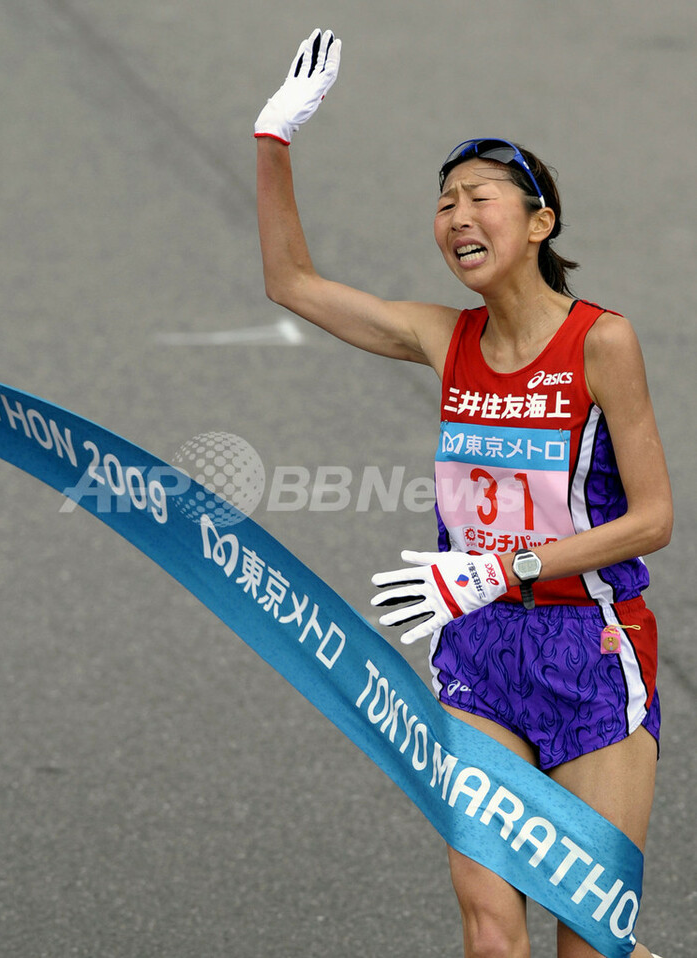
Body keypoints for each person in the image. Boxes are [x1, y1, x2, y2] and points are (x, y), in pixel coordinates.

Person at [254, 28, 672, 958]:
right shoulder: (442, 339)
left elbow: (654, 521)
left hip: (591, 653)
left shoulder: (602, 342)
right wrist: (273, 141)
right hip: (477, 651)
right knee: (490, 934)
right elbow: (290, 281)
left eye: (477, 197)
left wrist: (501, 566)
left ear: (540, 222)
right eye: (443, 204)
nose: (454, 216)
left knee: (591, 937)